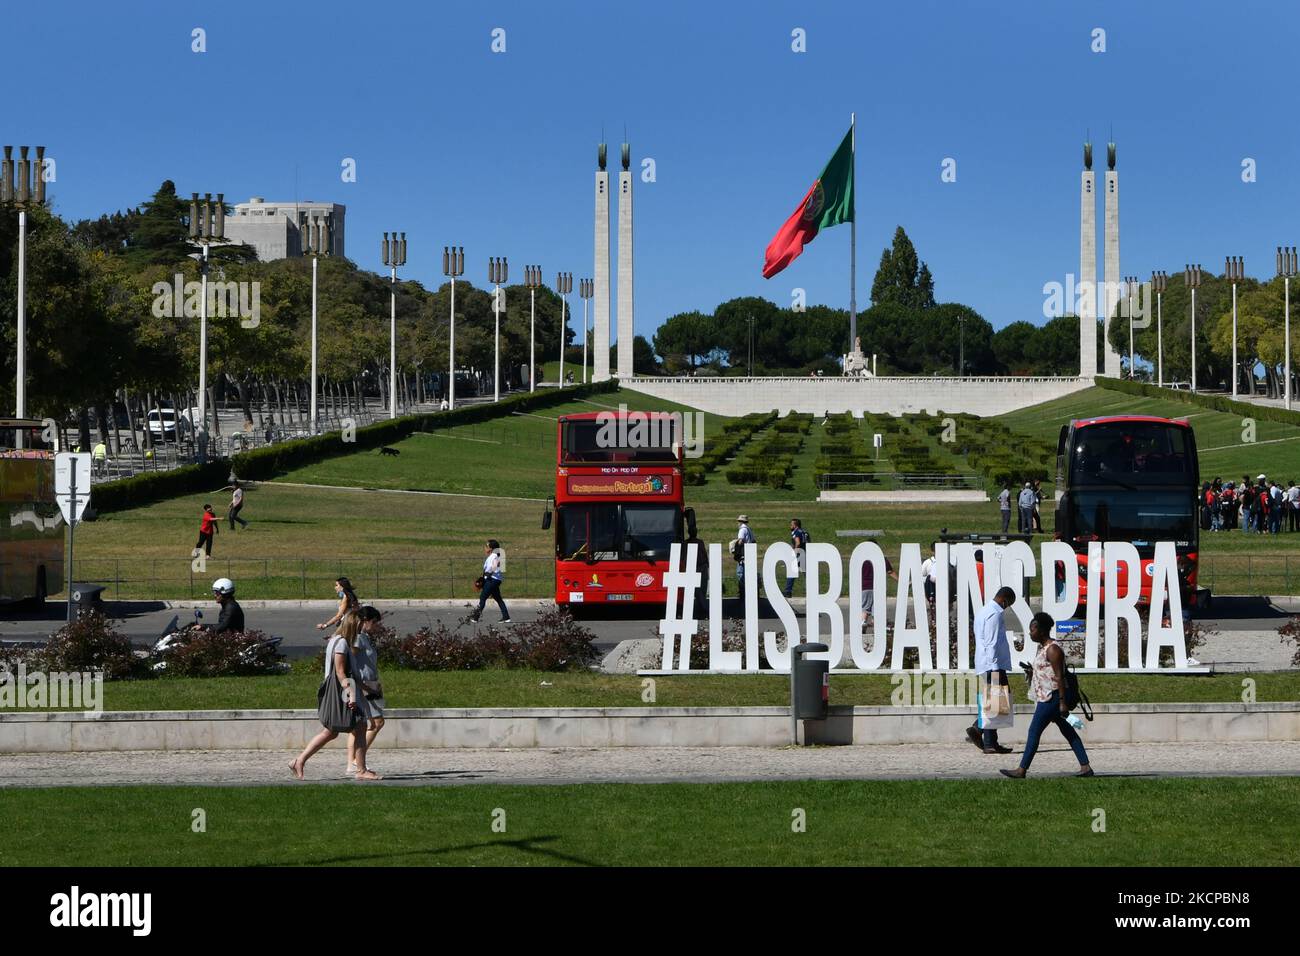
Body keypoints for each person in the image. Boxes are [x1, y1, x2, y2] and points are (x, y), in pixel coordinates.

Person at [999, 611, 1093, 778]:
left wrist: (1063, 702)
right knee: (1069, 732)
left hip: (1052, 698)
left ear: (1041, 630)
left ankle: (1021, 770)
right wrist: (1031, 671)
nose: (1030, 632)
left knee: (1034, 731)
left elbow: (1060, 676)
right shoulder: (1043, 649)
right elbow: (1047, 672)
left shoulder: (1053, 650)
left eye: (1033, 629)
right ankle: (1086, 767)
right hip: (1049, 697)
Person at [290, 620, 378, 781]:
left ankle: (299, 761)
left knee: (331, 731)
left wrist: (366, 688)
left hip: (343, 690)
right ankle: (361, 770)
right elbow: (341, 672)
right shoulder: (342, 643)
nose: (361, 629)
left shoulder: (336, 641)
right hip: (342, 691)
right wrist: (351, 694)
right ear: (354, 625)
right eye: (359, 626)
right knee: (360, 727)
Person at [966, 586, 1016, 755]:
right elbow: (991, 643)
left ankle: (986, 737)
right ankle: (986, 739)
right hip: (993, 665)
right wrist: (995, 668)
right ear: (1004, 599)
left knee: (997, 702)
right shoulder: (994, 613)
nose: (1006, 608)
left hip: (987, 664)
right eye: (1008, 604)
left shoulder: (984, 610)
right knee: (996, 703)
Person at [346, 606, 387, 775]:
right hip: (364, 684)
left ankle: (352, 763)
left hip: (370, 683)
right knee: (376, 723)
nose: (376, 626)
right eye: (374, 622)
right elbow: (350, 660)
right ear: (365, 621)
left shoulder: (365, 637)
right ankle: (356, 761)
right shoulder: (358, 639)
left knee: (359, 726)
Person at [470, 539, 510, 623]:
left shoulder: (493, 556)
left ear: (491, 549)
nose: (485, 548)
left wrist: (488, 574)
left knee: (483, 598)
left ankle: (475, 617)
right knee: (498, 599)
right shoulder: (496, 555)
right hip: (495, 580)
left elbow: (494, 566)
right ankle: (506, 617)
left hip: (492, 580)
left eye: (486, 546)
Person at [860, 553, 898, 626]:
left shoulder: (862, 559)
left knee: (865, 609)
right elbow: (890, 571)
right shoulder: (881, 558)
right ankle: (875, 624)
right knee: (877, 609)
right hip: (879, 588)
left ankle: (863, 622)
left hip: (865, 587)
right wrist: (899, 580)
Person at [784, 518, 810, 598]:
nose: (790, 526)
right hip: (806, 553)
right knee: (806, 574)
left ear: (795, 525)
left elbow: (797, 543)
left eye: (791, 524)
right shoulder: (805, 532)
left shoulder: (796, 532)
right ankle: (811, 590)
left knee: (792, 571)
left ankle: (788, 591)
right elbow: (809, 542)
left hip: (799, 554)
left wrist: (794, 553)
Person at [732, 515, 756, 590]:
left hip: (743, 556)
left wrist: (735, 547)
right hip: (749, 554)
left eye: (738, 521)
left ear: (740, 522)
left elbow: (740, 541)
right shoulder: (749, 529)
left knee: (740, 574)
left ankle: (743, 592)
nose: (737, 523)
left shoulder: (742, 530)